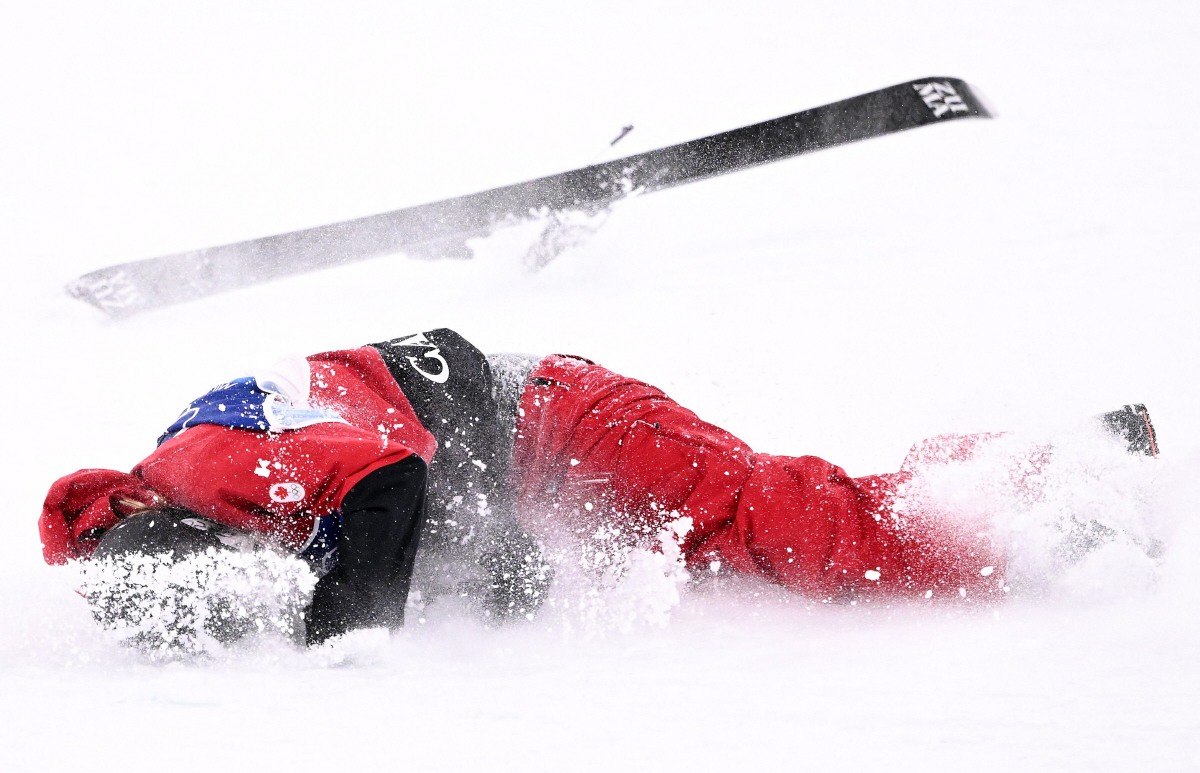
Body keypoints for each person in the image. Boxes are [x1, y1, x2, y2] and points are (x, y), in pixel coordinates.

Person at [39, 329, 1159, 645]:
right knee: (762, 534)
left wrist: (344, 646)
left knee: (799, 533)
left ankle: (1047, 520)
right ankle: (1026, 464)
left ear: (138, 512)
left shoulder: (204, 462)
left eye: (187, 573)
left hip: (556, 418)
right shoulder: (207, 469)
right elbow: (401, 502)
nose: (220, 582)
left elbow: (387, 478)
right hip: (534, 452)